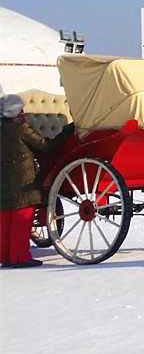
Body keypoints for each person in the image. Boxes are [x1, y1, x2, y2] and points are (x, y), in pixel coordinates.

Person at [1, 94, 68, 268]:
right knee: (22, 220)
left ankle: (6, 257)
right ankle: (20, 257)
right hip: (24, 182)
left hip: (3, 182)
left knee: (5, 220)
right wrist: (65, 133)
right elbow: (45, 145)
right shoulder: (22, 129)